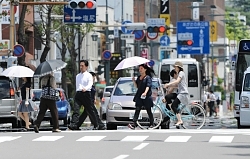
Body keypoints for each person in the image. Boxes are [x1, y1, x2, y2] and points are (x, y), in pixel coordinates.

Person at [68, 60, 99, 130]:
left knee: (90, 110)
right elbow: (77, 85)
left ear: (86, 67)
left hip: (86, 94)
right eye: (80, 66)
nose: (81, 67)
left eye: (82, 66)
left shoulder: (89, 75)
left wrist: (86, 88)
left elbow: (90, 84)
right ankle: (73, 124)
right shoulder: (78, 76)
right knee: (76, 110)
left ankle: (96, 124)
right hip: (78, 94)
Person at [128, 64, 155, 130]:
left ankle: (152, 123)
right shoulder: (139, 77)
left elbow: (148, 86)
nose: (140, 70)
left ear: (145, 69)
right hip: (139, 96)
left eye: (141, 68)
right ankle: (134, 123)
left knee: (148, 110)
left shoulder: (148, 78)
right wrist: (134, 81)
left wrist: (145, 93)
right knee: (137, 109)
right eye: (139, 68)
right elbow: (137, 86)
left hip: (146, 96)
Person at [164, 61, 189, 128]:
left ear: (178, 67)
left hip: (183, 93)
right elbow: (178, 85)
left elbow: (177, 81)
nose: (174, 68)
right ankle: (175, 114)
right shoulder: (180, 73)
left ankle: (179, 120)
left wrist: (168, 84)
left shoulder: (181, 73)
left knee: (173, 106)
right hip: (180, 93)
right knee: (168, 98)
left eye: (175, 67)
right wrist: (170, 86)